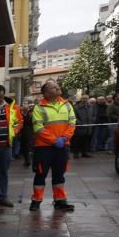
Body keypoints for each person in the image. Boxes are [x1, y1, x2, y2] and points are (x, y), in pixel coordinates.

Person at [30, 80, 76, 212]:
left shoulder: (67, 105)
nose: (58, 88)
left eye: (57, 86)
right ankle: (36, 201)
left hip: (62, 146)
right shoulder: (39, 107)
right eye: (54, 87)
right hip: (44, 148)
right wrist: (54, 140)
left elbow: (72, 123)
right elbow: (38, 127)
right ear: (46, 92)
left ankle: (60, 201)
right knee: (40, 174)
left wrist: (64, 138)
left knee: (59, 175)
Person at [20, 99, 35, 167]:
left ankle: (28, 160)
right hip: (23, 132)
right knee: (25, 147)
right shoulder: (20, 113)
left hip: (29, 132)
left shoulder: (31, 114)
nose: (25, 105)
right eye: (24, 104)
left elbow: (31, 122)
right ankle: (27, 160)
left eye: (26, 104)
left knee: (28, 146)